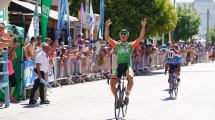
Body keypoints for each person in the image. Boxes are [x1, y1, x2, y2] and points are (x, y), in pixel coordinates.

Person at [105, 18, 147, 106]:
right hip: (119, 66)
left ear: (127, 36)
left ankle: (127, 95)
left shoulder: (130, 45)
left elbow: (140, 38)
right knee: (112, 84)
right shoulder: (116, 44)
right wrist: (107, 26)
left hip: (127, 66)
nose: (123, 35)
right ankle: (117, 99)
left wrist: (143, 26)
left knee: (130, 78)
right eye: (121, 34)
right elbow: (107, 38)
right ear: (120, 35)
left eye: (125, 34)